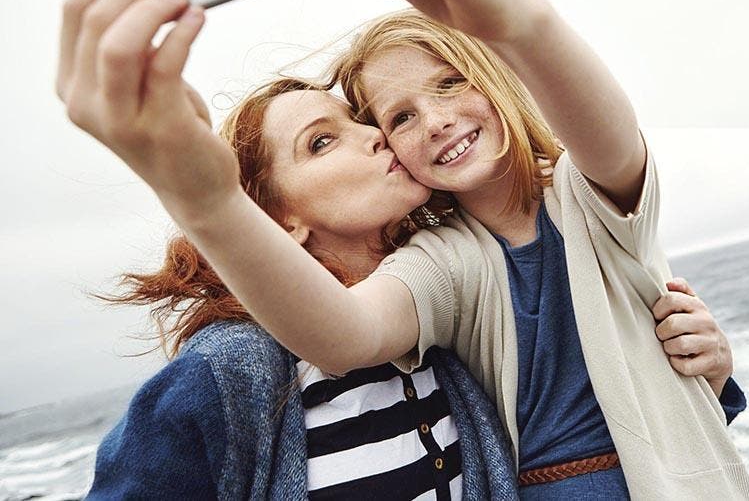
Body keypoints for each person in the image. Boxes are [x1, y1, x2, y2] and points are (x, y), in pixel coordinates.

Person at [58, 0, 749, 498]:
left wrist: (509, 12)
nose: (436, 119)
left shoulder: (587, 197)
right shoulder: (443, 260)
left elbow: (607, 132)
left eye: (450, 82)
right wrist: (207, 199)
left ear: (491, 77)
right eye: (398, 118)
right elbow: (345, 333)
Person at [82, 78, 519, 499]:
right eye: (321, 142)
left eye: (357, 119)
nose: (374, 135)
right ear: (281, 222)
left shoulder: (435, 315)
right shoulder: (231, 368)